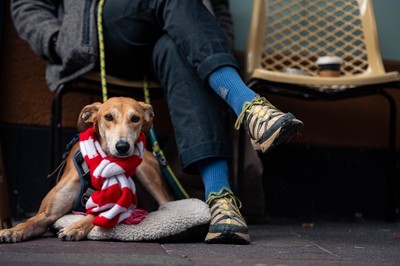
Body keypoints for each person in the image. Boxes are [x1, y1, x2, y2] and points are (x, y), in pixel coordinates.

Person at [11, 0, 303, 245]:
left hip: (171, 34)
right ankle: (247, 104)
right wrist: (57, 41)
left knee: (178, 50)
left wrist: (204, 39)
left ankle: (220, 200)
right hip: (99, 36)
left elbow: (217, 7)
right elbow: (27, 4)